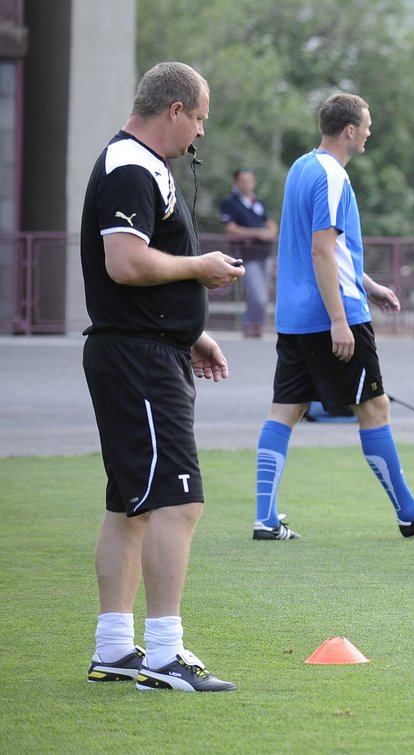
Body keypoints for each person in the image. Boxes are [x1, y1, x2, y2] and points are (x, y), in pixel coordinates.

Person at [81, 61, 239, 692]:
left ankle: (116, 648)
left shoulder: (140, 165)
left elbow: (133, 275)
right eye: (198, 118)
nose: (198, 134)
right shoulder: (131, 165)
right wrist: (200, 266)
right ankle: (165, 657)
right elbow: (124, 263)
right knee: (180, 501)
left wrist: (189, 330)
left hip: (144, 349)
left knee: (132, 507)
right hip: (138, 360)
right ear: (175, 109)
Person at [253, 93, 414, 541]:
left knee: (285, 411)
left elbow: (329, 249)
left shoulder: (301, 167)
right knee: (373, 406)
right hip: (330, 314)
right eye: (366, 125)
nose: (369, 132)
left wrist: (369, 285)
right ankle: (410, 514)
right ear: (350, 130)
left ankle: (265, 519)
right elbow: (321, 250)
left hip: (294, 317)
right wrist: (339, 319)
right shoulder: (333, 177)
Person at [220, 168, 277, 338]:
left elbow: (270, 224)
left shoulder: (257, 203)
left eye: (249, 180)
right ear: (236, 182)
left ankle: (256, 327)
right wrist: (259, 233)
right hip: (246, 256)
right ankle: (251, 326)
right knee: (256, 294)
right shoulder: (230, 203)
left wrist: (269, 232)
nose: (246, 184)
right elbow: (231, 229)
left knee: (263, 294)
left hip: (264, 255)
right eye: (243, 181)